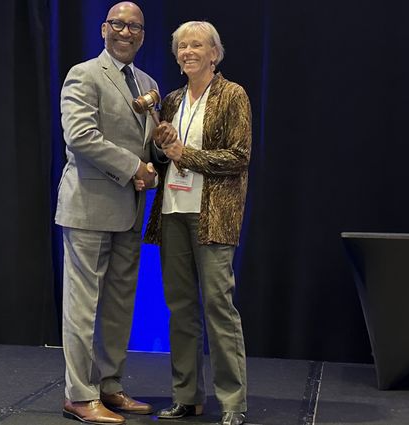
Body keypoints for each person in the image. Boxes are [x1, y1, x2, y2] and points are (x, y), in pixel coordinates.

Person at [55, 2, 166, 424]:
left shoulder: (147, 81)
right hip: (88, 205)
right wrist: (135, 168)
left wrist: (159, 149)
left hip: (130, 208)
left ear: (142, 33)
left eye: (134, 26)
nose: (126, 31)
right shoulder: (84, 74)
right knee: (82, 307)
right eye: (118, 23)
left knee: (121, 305)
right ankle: (79, 396)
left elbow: (146, 144)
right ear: (104, 29)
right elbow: (81, 136)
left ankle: (111, 386)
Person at [144, 21, 252, 425]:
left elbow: (238, 157)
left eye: (197, 45)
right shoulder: (170, 100)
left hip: (213, 217)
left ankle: (233, 403)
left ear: (214, 54)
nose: (188, 51)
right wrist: (160, 147)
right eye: (182, 46)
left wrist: (184, 153)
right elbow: (164, 156)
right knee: (180, 309)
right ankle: (187, 397)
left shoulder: (232, 94)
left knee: (218, 308)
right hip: (172, 211)